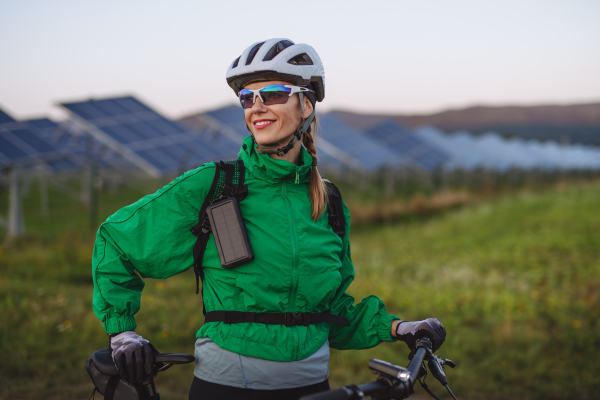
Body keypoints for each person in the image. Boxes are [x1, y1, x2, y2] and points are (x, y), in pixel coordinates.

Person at [92, 38, 446, 400]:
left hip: (312, 387)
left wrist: (400, 327)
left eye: (273, 93)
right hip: (227, 386)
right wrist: (122, 331)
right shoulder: (214, 186)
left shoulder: (329, 201)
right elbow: (116, 240)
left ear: (305, 104)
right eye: (247, 98)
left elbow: (331, 312)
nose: (256, 107)